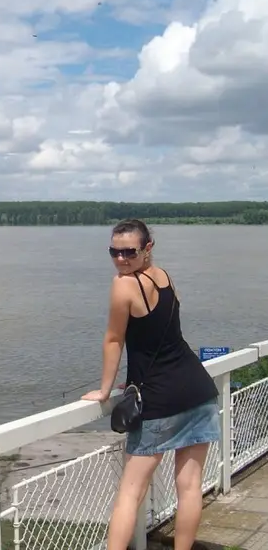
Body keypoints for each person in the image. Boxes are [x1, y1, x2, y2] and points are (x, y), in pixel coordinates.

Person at [82, 219, 220, 550]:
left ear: (147, 248)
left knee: (130, 493)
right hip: (198, 391)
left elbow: (114, 339)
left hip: (158, 398)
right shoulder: (164, 277)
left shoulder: (124, 285)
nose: (120, 259)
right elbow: (164, 333)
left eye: (129, 252)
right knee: (190, 487)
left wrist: (105, 390)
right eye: (114, 252)